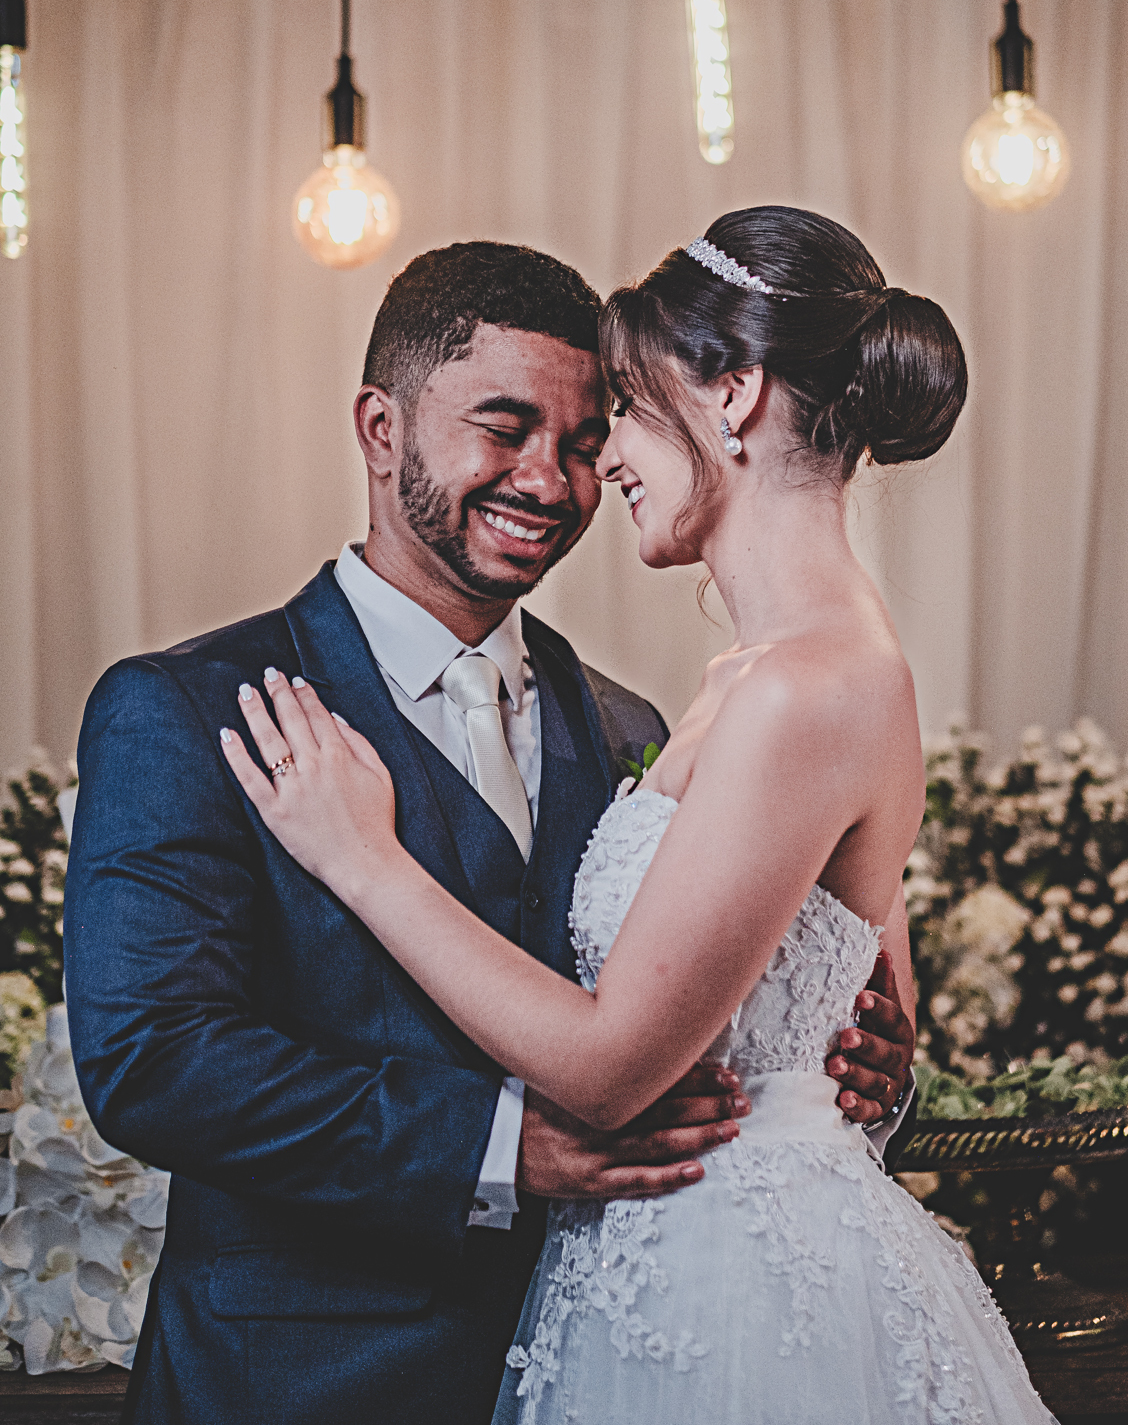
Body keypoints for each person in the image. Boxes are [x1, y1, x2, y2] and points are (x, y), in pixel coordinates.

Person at [222, 208, 1057, 1425]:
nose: (599, 456)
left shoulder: (799, 687)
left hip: (742, 1301)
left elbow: (615, 1068)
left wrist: (365, 858)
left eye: (622, 403)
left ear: (735, 394)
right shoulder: (733, 688)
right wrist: (856, 998)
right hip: (630, 1276)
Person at [63, 239, 911, 1425]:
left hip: (613, 1355)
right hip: (297, 1380)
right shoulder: (191, 707)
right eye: (502, 428)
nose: (551, 480)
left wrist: (858, 1059)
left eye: (579, 441)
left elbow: (713, 1020)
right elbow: (154, 1062)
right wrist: (505, 1147)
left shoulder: (634, 722)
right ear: (380, 428)